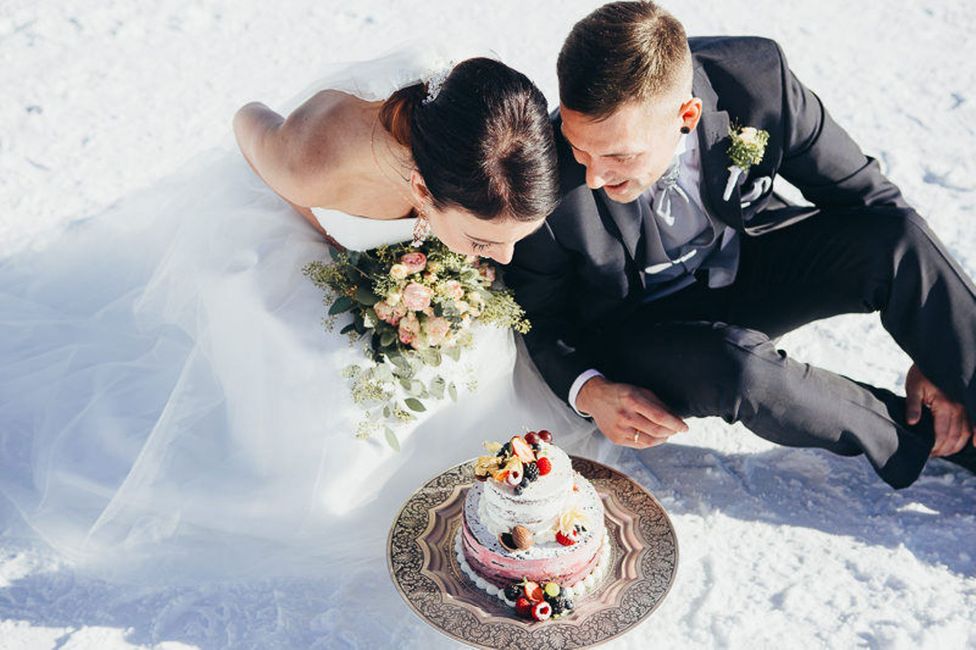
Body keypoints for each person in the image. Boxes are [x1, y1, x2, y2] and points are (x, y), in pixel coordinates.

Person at [0, 46, 602, 586]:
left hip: (404, 246)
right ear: (421, 188)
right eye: (483, 241)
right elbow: (246, 120)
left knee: (475, 344)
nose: (505, 260)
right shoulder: (308, 159)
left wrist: (456, 256)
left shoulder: (494, 144)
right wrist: (321, 221)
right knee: (320, 368)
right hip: (285, 236)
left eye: (514, 238)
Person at [505, 1, 976, 489]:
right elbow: (540, 318)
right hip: (638, 329)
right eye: (580, 147)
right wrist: (591, 391)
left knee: (899, 241)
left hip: (744, 265)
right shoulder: (544, 175)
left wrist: (936, 354)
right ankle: (941, 440)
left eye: (618, 155)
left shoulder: (755, 81)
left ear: (687, 115)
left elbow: (871, 201)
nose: (595, 176)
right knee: (744, 367)